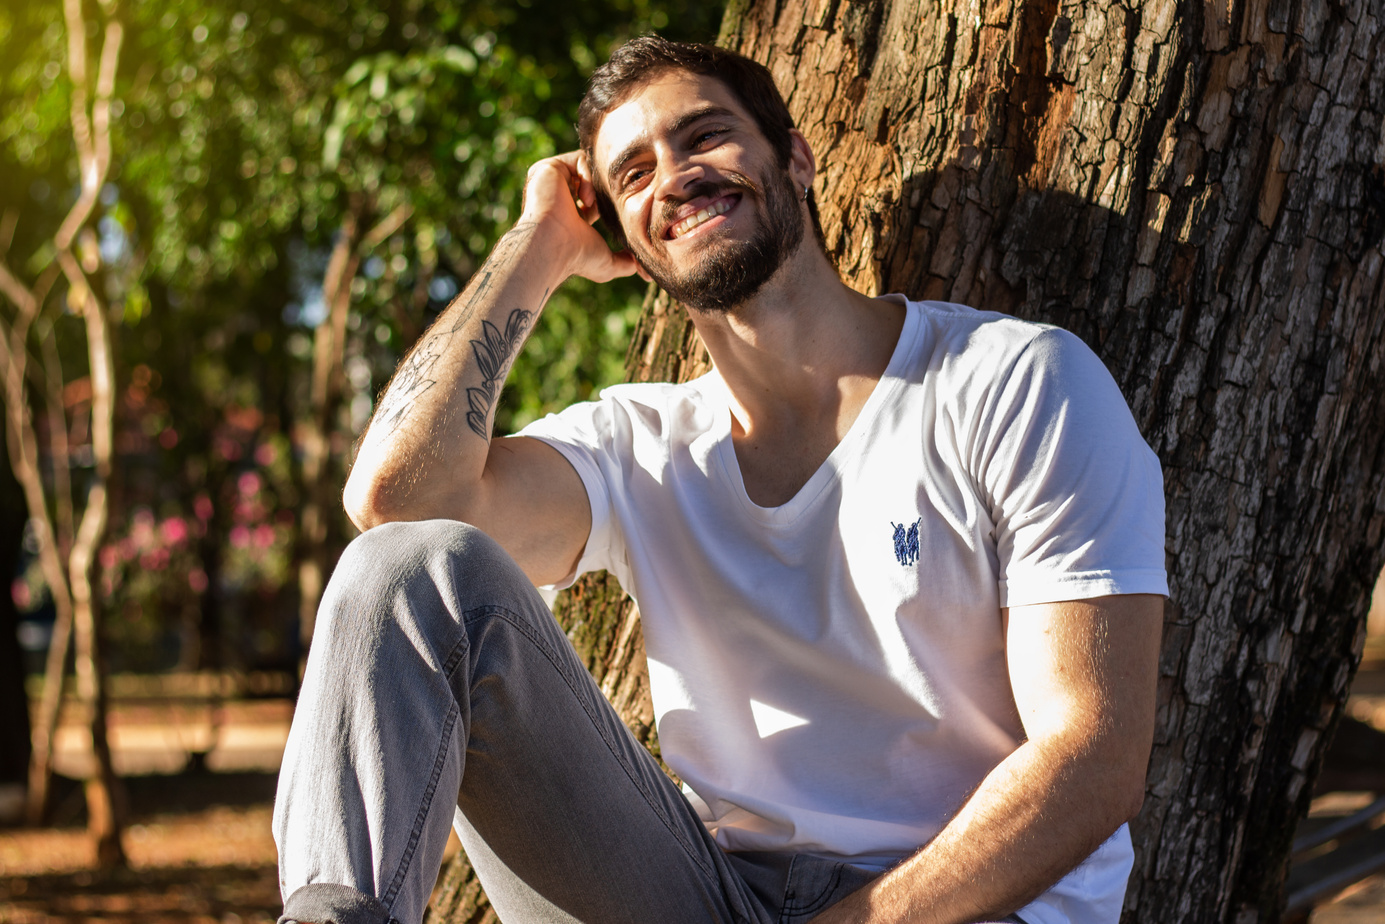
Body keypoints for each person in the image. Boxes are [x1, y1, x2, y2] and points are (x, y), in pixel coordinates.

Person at [273, 35, 1167, 924]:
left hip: (964, 905)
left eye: (704, 136)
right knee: (405, 568)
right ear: (620, 240)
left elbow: (1092, 756)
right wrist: (537, 244)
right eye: (632, 175)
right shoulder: (639, 445)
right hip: (709, 896)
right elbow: (395, 506)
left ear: (795, 156)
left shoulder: (1012, 382)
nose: (675, 175)